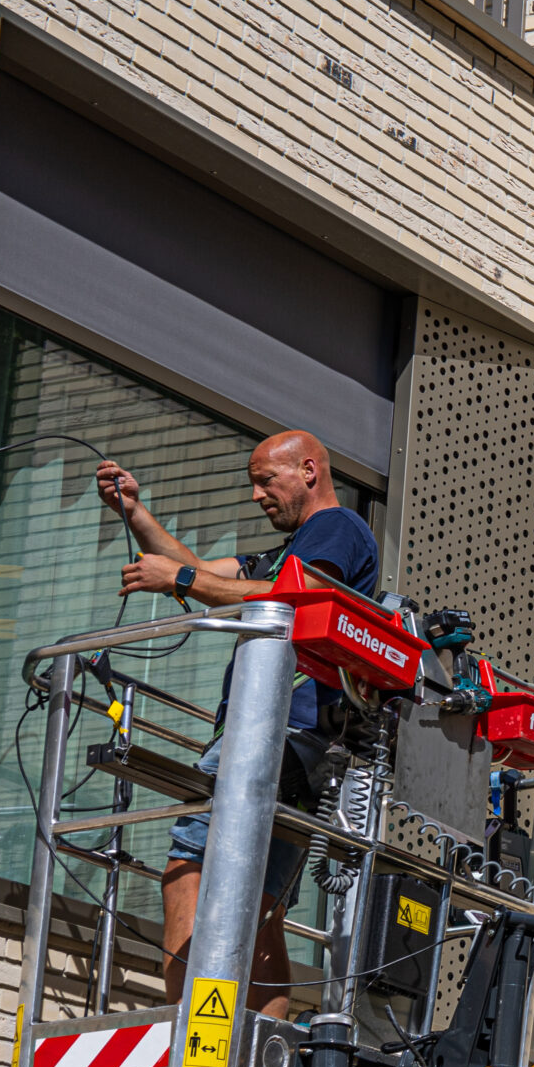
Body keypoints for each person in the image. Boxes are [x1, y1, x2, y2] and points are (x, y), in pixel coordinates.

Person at [96, 430, 378, 1018]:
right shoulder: (292, 548)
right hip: (305, 747)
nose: (256, 496)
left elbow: (288, 598)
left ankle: (193, 1028)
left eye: (264, 481)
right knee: (258, 901)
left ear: (307, 470)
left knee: (188, 871)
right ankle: (261, 1034)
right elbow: (201, 571)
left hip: (275, 735)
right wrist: (136, 512)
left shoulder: (335, 530)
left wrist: (177, 582)